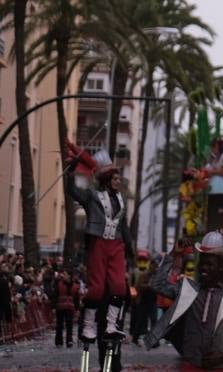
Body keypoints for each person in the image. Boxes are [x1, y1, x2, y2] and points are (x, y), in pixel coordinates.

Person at [146, 230, 223, 370]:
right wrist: (174, 254)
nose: (203, 268)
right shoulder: (188, 289)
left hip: (219, 368)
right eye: (201, 264)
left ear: (221, 266)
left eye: (209, 264)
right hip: (189, 365)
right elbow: (157, 284)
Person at [64, 144, 134, 341]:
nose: (118, 181)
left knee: (119, 286)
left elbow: (124, 226)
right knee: (96, 289)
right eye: (115, 178)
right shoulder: (92, 196)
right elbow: (73, 191)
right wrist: (71, 171)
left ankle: (111, 326)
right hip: (98, 243)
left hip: (116, 244)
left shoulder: (121, 199)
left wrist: (130, 248)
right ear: (106, 179)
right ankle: (88, 327)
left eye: (119, 178)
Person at [54, 268, 78, 348]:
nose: (63, 275)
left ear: (69, 276)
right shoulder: (59, 284)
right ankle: (59, 341)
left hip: (69, 307)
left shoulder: (74, 285)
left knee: (69, 325)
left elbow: (76, 298)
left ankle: (69, 340)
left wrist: (77, 309)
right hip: (60, 307)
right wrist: (54, 306)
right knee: (59, 325)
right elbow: (55, 295)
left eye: (65, 274)